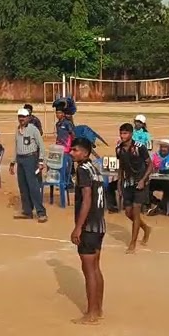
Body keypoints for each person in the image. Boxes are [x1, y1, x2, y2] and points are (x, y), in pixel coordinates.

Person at [69, 137, 105, 323]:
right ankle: (97, 309)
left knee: (89, 270)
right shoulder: (95, 168)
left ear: (84, 153)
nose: (71, 153)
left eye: (75, 150)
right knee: (96, 268)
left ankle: (91, 314)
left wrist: (78, 228)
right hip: (99, 224)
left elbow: (87, 199)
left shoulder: (83, 169)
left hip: (88, 226)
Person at [114, 123, 153, 253]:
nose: (122, 136)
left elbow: (150, 165)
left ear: (131, 134)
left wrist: (142, 180)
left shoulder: (140, 147)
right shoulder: (119, 149)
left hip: (140, 183)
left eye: (125, 133)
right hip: (128, 183)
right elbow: (121, 167)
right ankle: (146, 228)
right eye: (121, 133)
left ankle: (132, 243)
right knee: (128, 212)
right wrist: (119, 183)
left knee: (136, 213)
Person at [9, 108, 47, 223]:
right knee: (23, 186)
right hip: (20, 159)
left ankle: (41, 212)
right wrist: (12, 162)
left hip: (31, 159)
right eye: (19, 116)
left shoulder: (33, 129)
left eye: (23, 117)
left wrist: (41, 161)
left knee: (33, 186)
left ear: (28, 118)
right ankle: (27, 211)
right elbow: (16, 147)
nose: (21, 119)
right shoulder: (17, 130)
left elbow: (41, 146)